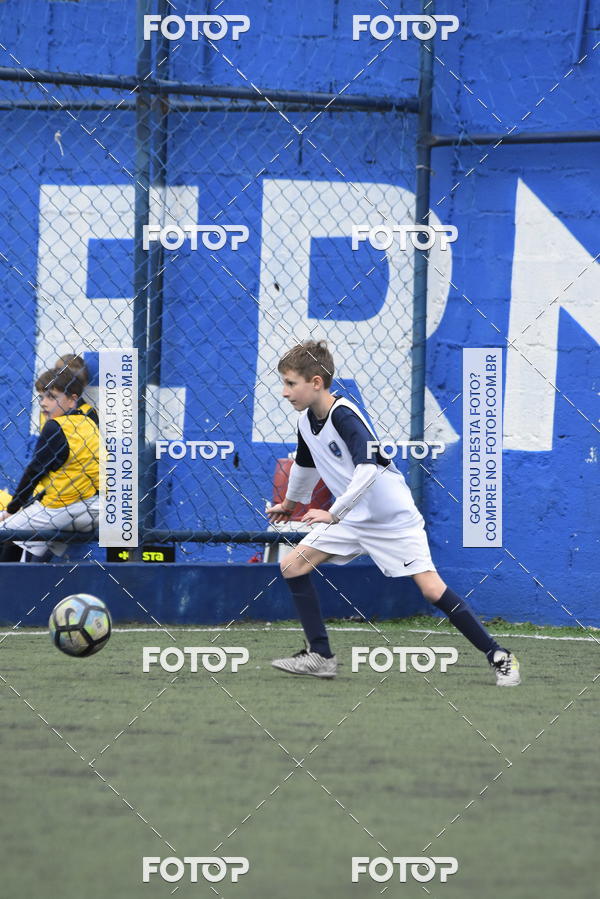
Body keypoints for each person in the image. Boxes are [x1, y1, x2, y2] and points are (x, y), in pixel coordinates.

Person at [266, 340, 520, 686]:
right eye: (283, 383)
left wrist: (333, 513)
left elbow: (368, 470)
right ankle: (321, 657)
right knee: (292, 565)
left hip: (390, 517)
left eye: (290, 383)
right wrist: (290, 505)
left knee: (431, 590)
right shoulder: (307, 421)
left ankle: (499, 656)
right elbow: (305, 466)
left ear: (315, 383)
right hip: (352, 517)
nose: (284, 392)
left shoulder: (345, 415)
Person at [0, 367, 99, 562]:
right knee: (38, 547)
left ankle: (9, 587)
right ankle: (31, 585)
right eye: (41, 397)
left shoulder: (56, 426)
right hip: (94, 509)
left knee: (5, 532)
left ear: (72, 399)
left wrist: (11, 510)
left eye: (51, 397)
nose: (44, 403)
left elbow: (34, 472)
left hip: (61, 508)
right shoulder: (90, 420)